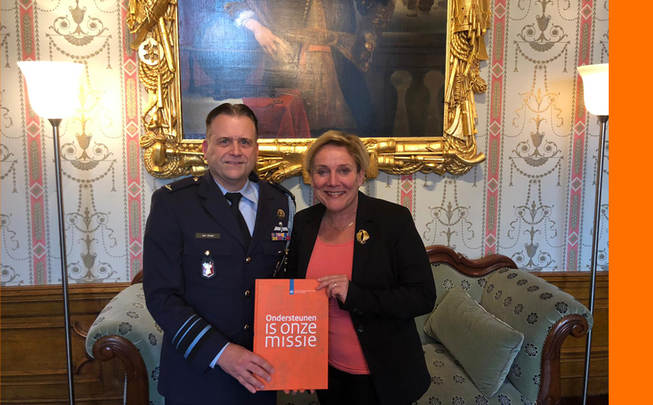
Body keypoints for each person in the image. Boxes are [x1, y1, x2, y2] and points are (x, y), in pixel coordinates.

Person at [143, 103, 296, 405]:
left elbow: (286, 284)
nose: (235, 151)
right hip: (197, 377)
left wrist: (295, 357)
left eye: (245, 142)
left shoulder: (281, 203)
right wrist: (222, 352)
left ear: (256, 149)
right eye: (224, 141)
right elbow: (161, 295)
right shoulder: (173, 204)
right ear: (206, 148)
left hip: (260, 375)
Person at [284, 131, 435, 404]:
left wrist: (355, 295)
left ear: (361, 175)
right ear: (311, 178)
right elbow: (292, 296)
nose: (333, 181)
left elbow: (423, 296)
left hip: (385, 376)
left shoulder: (393, 220)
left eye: (344, 170)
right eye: (322, 171)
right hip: (328, 373)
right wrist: (297, 363)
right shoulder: (304, 223)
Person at [224, 0, 395, 135]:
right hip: (284, 56)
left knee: (359, 124)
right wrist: (257, 28)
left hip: (341, 54)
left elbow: (378, 5)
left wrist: (368, 34)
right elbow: (232, 3)